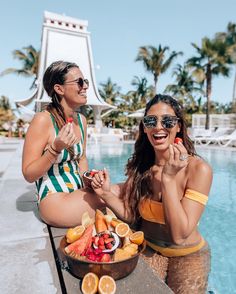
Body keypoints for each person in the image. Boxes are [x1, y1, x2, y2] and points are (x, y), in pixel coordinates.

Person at [91, 94, 213, 294]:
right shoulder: (142, 166)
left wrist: (168, 179)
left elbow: (179, 236)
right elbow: (132, 216)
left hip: (188, 253)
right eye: (150, 121)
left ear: (179, 126)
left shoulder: (199, 170)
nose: (158, 127)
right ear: (144, 127)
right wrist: (106, 195)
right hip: (150, 248)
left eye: (167, 121)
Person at [22, 61, 104, 227]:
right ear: (59, 89)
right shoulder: (43, 120)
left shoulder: (81, 120)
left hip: (78, 192)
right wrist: (55, 149)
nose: (85, 86)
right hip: (55, 199)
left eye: (85, 81)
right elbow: (29, 174)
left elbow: (81, 159)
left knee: (124, 190)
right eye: (79, 82)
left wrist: (88, 178)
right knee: (118, 197)